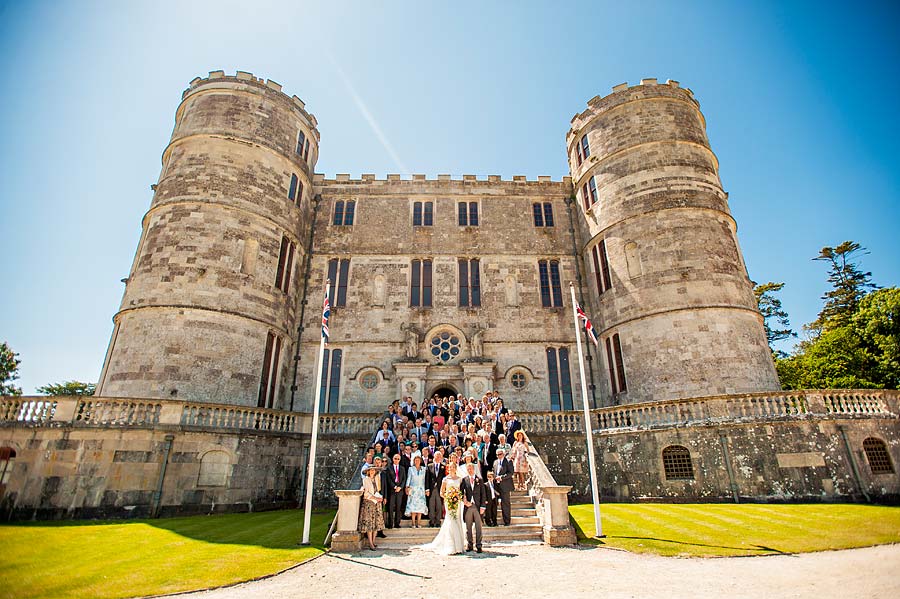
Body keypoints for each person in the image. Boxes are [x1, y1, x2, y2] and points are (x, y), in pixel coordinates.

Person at [418, 461, 465, 555]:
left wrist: (457, 497)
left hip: (457, 503)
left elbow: (461, 492)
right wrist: (449, 497)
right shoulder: (445, 479)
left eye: (453, 467)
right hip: (449, 502)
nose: (452, 469)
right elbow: (441, 493)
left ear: (456, 468)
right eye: (450, 467)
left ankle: (459, 545)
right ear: (448, 468)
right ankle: (450, 545)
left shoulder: (460, 479)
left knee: (457, 520)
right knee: (450, 521)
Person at [460, 462, 488, 553]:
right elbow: (460, 492)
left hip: (477, 506)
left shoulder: (479, 479)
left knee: (478, 527)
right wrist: (464, 501)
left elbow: (483, 493)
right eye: (468, 469)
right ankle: (470, 544)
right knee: (468, 527)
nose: (469, 470)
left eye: (471, 468)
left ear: (474, 469)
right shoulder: (464, 480)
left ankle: (479, 545)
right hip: (468, 506)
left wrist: (483, 506)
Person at [359, 464, 385, 550]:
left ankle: (373, 541)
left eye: (374, 470)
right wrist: (375, 498)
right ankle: (370, 543)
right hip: (369, 503)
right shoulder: (365, 480)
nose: (372, 471)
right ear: (368, 472)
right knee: (370, 524)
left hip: (376, 503)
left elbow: (378, 490)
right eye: (371, 470)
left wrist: (380, 497)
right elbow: (366, 493)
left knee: (376, 524)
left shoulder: (377, 480)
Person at [493, 446, 515, 525]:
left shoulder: (508, 461)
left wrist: (501, 478)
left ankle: (507, 521)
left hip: (505, 486)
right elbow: (494, 472)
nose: (499, 456)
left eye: (500, 454)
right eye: (497, 454)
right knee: (494, 503)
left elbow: (511, 473)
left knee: (505, 504)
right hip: (496, 486)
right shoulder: (495, 462)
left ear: (504, 454)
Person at [404, 454, 428, 528]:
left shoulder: (424, 469)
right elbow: (409, 478)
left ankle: (419, 523)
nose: (417, 462)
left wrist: (426, 489)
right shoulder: (411, 469)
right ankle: (413, 523)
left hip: (421, 490)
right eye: (415, 460)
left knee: (420, 507)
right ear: (414, 461)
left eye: (418, 460)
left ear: (420, 461)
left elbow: (425, 480)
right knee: (413, 507)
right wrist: (407, 487)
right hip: (413, 489)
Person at [385, 453, 407, 529]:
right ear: (393, 459)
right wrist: (394, 486)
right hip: (392, 490)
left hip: (400, 491)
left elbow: (404, 479)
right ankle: (390, 523)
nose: (396, 460)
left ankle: (397, 523)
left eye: (398, 459)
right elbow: (388, 479)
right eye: (395, 458)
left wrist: (400, 487)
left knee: (398, 507)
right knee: (391, 507)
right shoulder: (389, 468)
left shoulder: (402, 468)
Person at [425, 450, 445, 527]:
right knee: (432, 505)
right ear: (434, 456)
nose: (438, 457)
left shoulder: (443, 466)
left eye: (440, 456)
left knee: (439, 505)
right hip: (432, 488)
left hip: (440, 489)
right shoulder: (430, 466)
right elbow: (427, 478)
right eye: (437, 456)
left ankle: (438, 521)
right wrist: (427, 489)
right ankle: (432, 521)